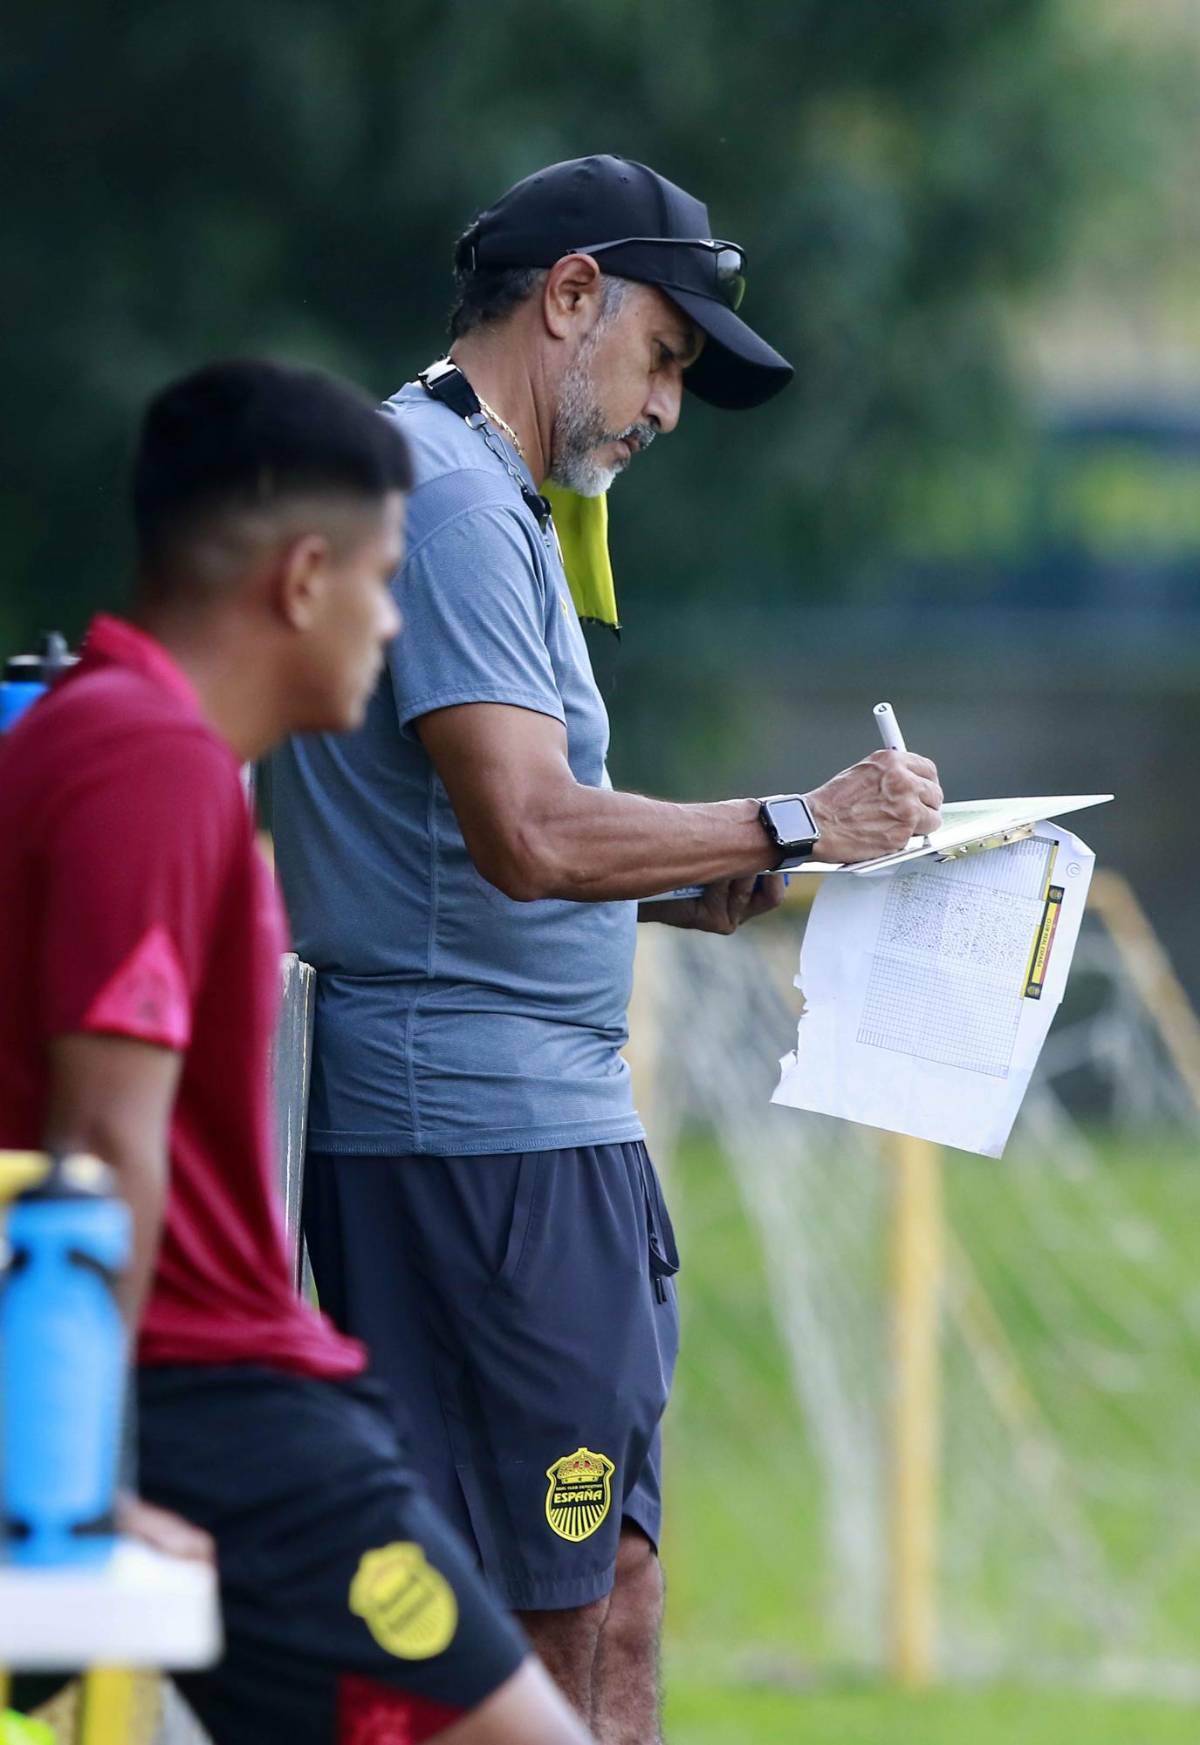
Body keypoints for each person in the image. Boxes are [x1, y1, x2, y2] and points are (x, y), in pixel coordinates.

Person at [270, 156, 942, 1744]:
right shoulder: (440, 493)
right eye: (665, 356)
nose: (664, 409)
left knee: (612, 1592)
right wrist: (790, 822)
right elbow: (529, 830)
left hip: (543, 1136)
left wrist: (698, 873)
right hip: (476, 1147)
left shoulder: (492, 495)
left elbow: (483, 843)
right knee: (533, 1627)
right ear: (570, 297)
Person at [0, 359, 593, 1745]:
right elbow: (103, 1140)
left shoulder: (92, 729)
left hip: (201, 1401)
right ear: (303, 576)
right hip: (221, 1414)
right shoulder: (148, 761)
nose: (395, 621)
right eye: (386, 580)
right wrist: (79, 1485)